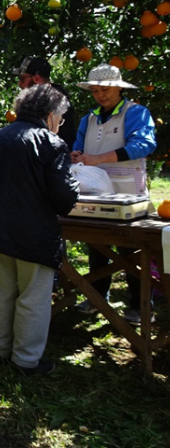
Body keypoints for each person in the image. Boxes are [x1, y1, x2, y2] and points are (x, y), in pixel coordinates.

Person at [0, 85, 79, 375]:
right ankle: (25, 361)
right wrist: (75, 184)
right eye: (59, 118)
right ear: (48, 115)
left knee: (1, 293)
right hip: (33, 234)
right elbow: (64, 199)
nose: (59, 124)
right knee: (33, 298)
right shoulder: (51, 143)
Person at [70, 64, 157, 325]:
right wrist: (76, 154)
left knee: (132, 249)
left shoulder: (135, 113)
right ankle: (97, 297)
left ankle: (140, 306)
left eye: (105, 89)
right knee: (97, 246)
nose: (100, 95)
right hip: (96, 191)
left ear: (119, 88)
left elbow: (144, 144)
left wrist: (99, 158)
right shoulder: (90, 118)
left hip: (127, 190)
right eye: (95, 91)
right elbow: (78, 144)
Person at [14, 57, 77, 149]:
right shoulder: (37, 100)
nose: (19, 83)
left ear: (36, 78)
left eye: (22, 79)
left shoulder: (56, 101)